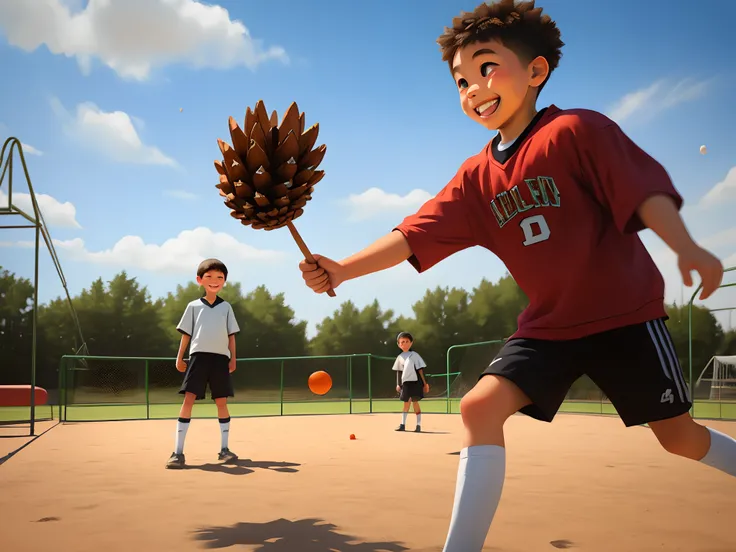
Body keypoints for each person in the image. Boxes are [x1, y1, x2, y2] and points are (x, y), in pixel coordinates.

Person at [298, 1, 736, 549]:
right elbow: (414, 233)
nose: (473, 89)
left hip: (622, 316)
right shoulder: (477, 177)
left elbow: (640, 190)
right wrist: (343, 269)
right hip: (549, 325)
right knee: (479, 405)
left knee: (678, 438)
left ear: (535, 71)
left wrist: (686, 245)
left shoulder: (577, 130)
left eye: (486, 68)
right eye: (460, 81)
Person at [166, 258, 240, 469]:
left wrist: (233, 358)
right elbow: (186, 334)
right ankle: (177, 453)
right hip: (198, 358)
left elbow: (231, 335)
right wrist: (179, 357)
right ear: (199, 280)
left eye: (219, 277)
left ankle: (224, 450)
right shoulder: (193, 306)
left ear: (224, 281)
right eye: (209, 277)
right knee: (188, 400)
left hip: (220, 360)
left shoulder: (226, 307)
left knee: (221, 402)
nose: (214, 281)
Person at [392, 331, 430, 432]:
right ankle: (402, 425)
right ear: (398, 344)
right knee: (406, 403)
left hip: (415, 382)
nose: (404, 344)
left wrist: (425, 384)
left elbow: (420, 370)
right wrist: (398, 384)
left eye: (406, 341)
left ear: (411, 343)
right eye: (402, 342)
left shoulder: (414, 355)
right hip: (405, 384)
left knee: (415, 402)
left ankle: (418, 426)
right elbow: (399, 372)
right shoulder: (399, 357)